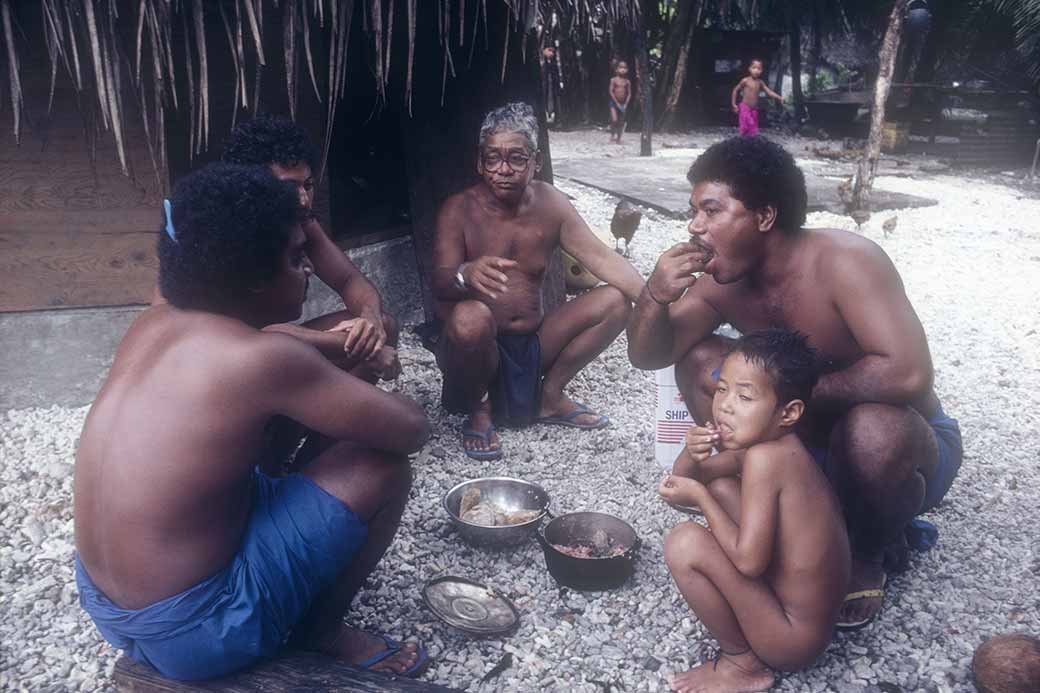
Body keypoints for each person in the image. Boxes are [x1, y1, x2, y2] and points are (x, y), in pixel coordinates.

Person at [74, 164, 431, 681]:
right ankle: (319, 632)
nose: (308, 269)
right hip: (197, 633)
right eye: (294, 258)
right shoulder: (260, 361)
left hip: (107, 605)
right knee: (382, 465)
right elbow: (411, 429)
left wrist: (309, 341)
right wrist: (373, 368)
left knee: (266, 434)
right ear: (251, 280)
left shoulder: (151, 322)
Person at [628, 136, 962, 630]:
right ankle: (764, 508)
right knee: (701, 362)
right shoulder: (725, 282)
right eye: (694, 212)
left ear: (764, 216)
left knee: (872, 429)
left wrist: (787, 400)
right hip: (801, 438)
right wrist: (654, 295)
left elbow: (908, 373)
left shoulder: (846, 260)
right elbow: (647, 355)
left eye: (711, 211)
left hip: (901, 444)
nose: (694, 227)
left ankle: (869, 548)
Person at [432, 102, 644, 460]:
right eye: (493, 158)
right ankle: (479, 408)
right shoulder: (459, 209)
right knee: (471, 317)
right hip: (471, 355)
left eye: (516, 158)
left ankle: (550, 396)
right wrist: (465, 273)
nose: (503, 170)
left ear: (536, 163)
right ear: (479, 162)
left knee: (615, 301)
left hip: (532, 345)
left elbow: (602, 258)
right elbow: (438, 283)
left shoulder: (551, 203)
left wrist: (658, 300)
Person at [660, 329, 850, 693]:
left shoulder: (768, 458)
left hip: (791, 640)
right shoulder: (773, 446)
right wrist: (690, 453)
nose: (725, 406)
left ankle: (742, 664)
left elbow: (748, 562)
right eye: (721, 389)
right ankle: (750, 642)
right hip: (797, 617)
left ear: (788, 412)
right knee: (720, 487)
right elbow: (679, 488)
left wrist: (700, 496)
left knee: (685, 543)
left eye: (745, 396)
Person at [221, 114, 400, 383]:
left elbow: (349, 279)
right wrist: (344, 344)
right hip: (228, 366)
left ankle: (337, 421)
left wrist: (370, 320)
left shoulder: (299, 222)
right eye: (289, 188)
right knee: (404, 413)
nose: (303, 200)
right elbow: (250, 339)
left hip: (273, 346)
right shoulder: (226, 235)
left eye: (308, 185)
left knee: (381, 328)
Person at [730, 59, 781, 137]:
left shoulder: (760, 82)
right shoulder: (745, 80)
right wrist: (734, 104)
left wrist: (778, 97)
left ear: (761, 70)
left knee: (753, 130)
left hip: (754, 109)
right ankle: (742, 143)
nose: (756, 71)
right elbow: (735, 90)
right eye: (754, 68)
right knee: (745, 126)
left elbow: (769, 92)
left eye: (759, 69)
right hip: (744, 107)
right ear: (749, 69)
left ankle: (751, 144)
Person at [608, 61, 632, 144]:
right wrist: (617, 103)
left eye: (624, 68)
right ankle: (612, 135)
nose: (623, 70)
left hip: (623, 104)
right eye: (621, 67)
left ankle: (619, 138)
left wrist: (625, 104)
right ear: (617, 69)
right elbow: (610, 91)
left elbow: (629, 94)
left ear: (627, 70)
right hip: (613, 103)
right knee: (614, 120)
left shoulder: (627, 82)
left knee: (621, 121)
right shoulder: (613, 80)